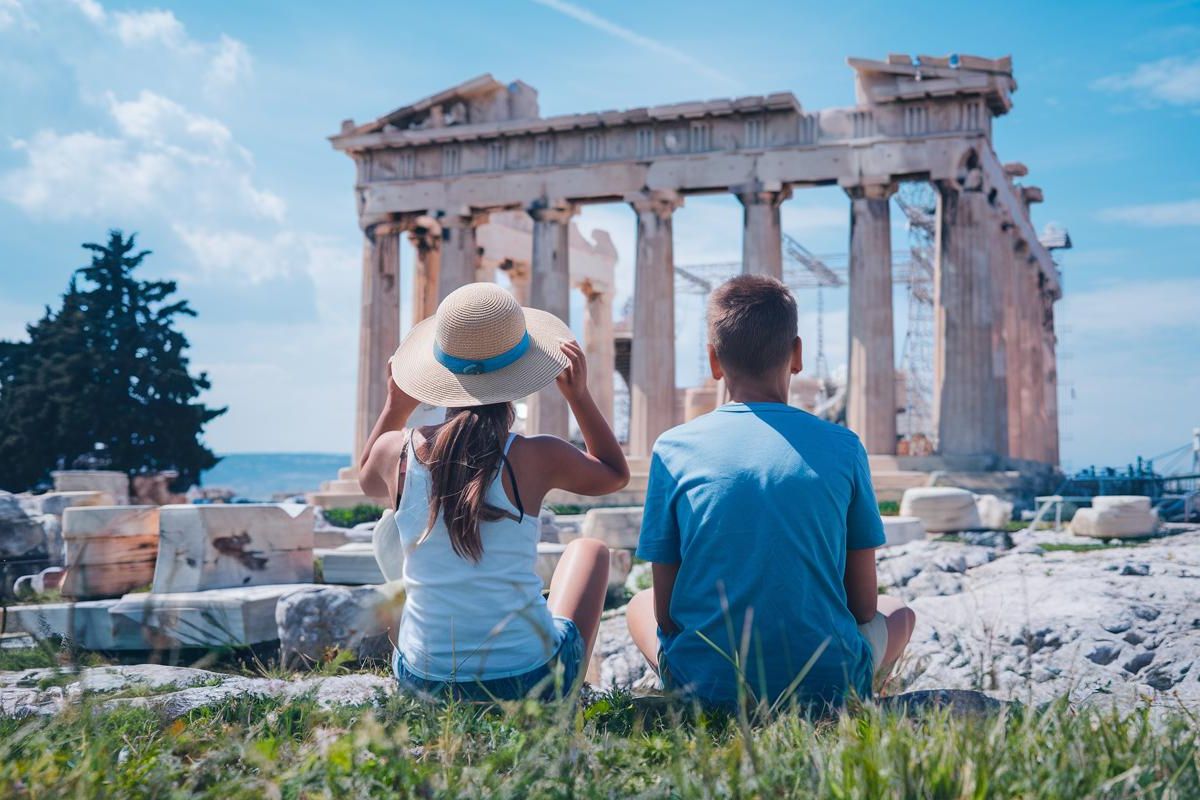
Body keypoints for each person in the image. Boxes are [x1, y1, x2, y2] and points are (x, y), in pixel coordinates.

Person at [626, 274, 916, 709]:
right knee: (899, 611)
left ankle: (697, 682)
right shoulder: (844, 447)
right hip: (828, 684)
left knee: (639, 603)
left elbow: (667, 614)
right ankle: (859, 698)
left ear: (714, 361)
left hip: (706, 687)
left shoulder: (671, 448)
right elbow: (862, 606)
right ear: (797, 355)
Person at [358, 282, 629, 700]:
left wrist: (396, 406)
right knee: (590, 550)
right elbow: (614, 474)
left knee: (392, 537)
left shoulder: (396, 451)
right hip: (526, 679)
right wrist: (580, 397)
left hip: (424, 681)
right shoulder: (537, 455)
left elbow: (365, 478)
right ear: (519, 376)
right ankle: (565, 694)